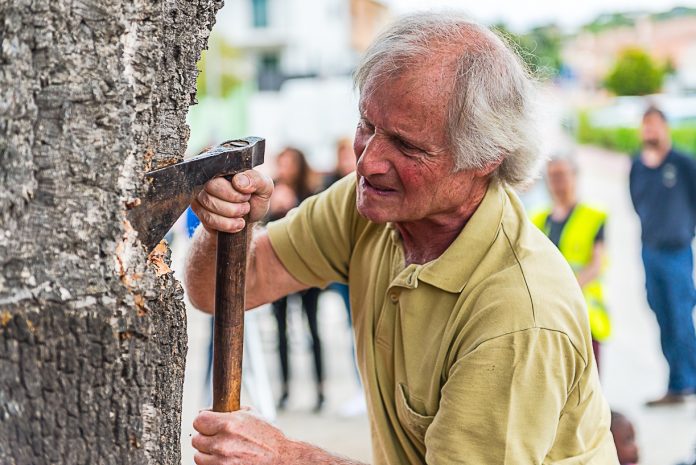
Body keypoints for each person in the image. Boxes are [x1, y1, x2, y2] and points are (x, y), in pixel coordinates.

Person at [185, 13, 618, 464]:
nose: (369, 161)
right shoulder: (370, 205)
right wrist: (229, 223)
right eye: (366, 126)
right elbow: (216, 292)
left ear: (486, 158)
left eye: (408, 146)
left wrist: (286, 457)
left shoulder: (517, 315)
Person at [629, 106, 696, 407]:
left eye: (654, 125)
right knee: (663, 317)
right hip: (650, 251)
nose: (649, 131)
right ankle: (679, 382)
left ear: (665, 128)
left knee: (681, 319)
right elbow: (635, 201)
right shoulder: (637, 165)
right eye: (645, 125)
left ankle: (685, 383)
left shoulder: (682, 163)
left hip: (677, 253)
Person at [531, 155, 611, 373]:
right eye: (551, 177)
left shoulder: (594, 215)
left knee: (587, 384)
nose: (556, 183)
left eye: (561, 175)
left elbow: (596, 264)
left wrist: (566, 291)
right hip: (549, 317)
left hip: (584, 314)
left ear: (574, 176)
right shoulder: (537, 219)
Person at [267, 147, 325, 412]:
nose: (284, 168)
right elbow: (264, 231)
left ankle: (320, 390)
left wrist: (293, 208)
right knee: (281, 332)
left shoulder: (310, 193)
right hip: (278, 270)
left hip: (306, 272)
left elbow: (315, 228)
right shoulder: (273, 190)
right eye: (281, 163)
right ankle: (285, 390)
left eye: (289, 163)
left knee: (313, 329)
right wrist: (273, 209)